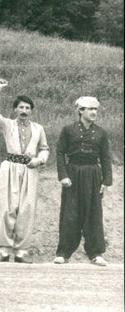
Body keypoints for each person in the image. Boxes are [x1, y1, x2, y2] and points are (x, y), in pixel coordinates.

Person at [0, 79, 49, 263]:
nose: (24, 111)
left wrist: (39, 160)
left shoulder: (38, 129)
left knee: (26, 209)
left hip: (30, 170)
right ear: (15, 109)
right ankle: (4, 251)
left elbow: (45, 148)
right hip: (9, 168)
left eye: (28, 108)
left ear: (31, 111)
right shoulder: (8, 125)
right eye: (21, 107)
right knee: (6, 208)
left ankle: (21, 252)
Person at [54, 97, 113, 266]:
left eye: (95, 109)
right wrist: (63, 175)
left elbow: (106, 157)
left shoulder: (101, 132)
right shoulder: (68, 130)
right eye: (89, 109)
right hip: (72, 174)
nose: (93, 112)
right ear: (80, 110)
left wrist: (106, 181)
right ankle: (64, 252)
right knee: (70, 213)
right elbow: (59, 153)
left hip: (93, 174)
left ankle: (96, 253)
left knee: (94, 213)